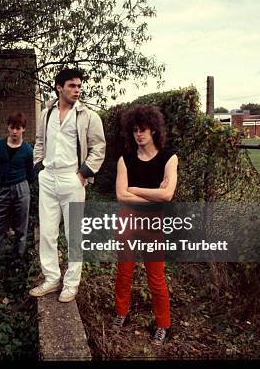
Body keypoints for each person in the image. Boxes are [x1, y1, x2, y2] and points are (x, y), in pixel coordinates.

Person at [30, 68, 106, 303]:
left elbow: (99, 148)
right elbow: (40, 141)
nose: (77, 90)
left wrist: (83, 174)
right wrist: (38, 167)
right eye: (72, 85)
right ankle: (52, 279)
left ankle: (71, 284)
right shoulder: (45, 114)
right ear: (58, 87)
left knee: (74, 234)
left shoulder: (88, 116)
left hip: (72, 179)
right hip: (49, 178)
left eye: (79, 86)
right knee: (47, 233)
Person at [114, 104, 178, 345]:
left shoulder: (168, 157)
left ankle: (162, 325)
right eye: (134, 130)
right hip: (128, 219)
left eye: (143, 129)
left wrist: (136, 189)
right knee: (124, 272)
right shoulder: (125, 159)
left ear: (153, 130)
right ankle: (121, 313)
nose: (138, 134)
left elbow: (168, 195)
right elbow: (121, 196)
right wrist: (152, 194)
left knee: (156, 278)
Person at [0, 112, 34, 262]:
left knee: (21, 227)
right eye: (12, 128)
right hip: (2, 189)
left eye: (18, 128)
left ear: (23, 129)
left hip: (21, 188)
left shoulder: (28, 150)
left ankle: (17, 260)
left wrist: (22, 186)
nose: (15, 131)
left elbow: (31, 173)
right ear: (8, 128)